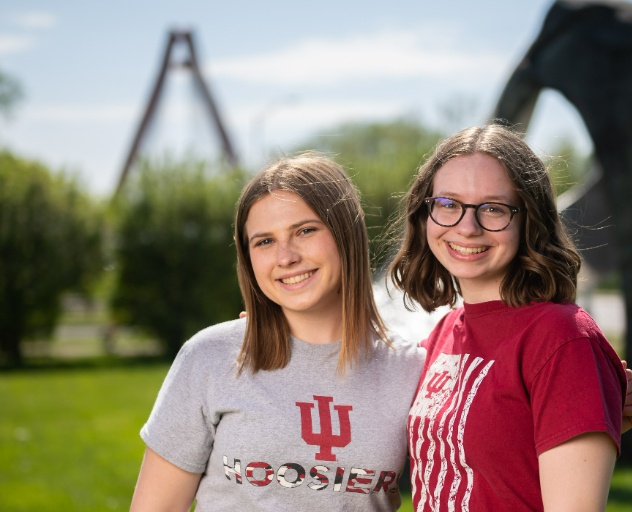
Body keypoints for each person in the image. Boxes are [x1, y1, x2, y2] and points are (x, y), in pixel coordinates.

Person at [130, 153, 426, 511]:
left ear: (346, 235)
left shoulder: (412, 370)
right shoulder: (210, 357)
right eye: (265, 241)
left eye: (305, 230)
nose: (285, 257)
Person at [388, 123, 632, 511]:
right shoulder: (445, 333)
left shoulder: (563, 339)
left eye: (493, 209)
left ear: (529, 221)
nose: (467, 228)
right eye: (448, 204)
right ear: (425, 214)